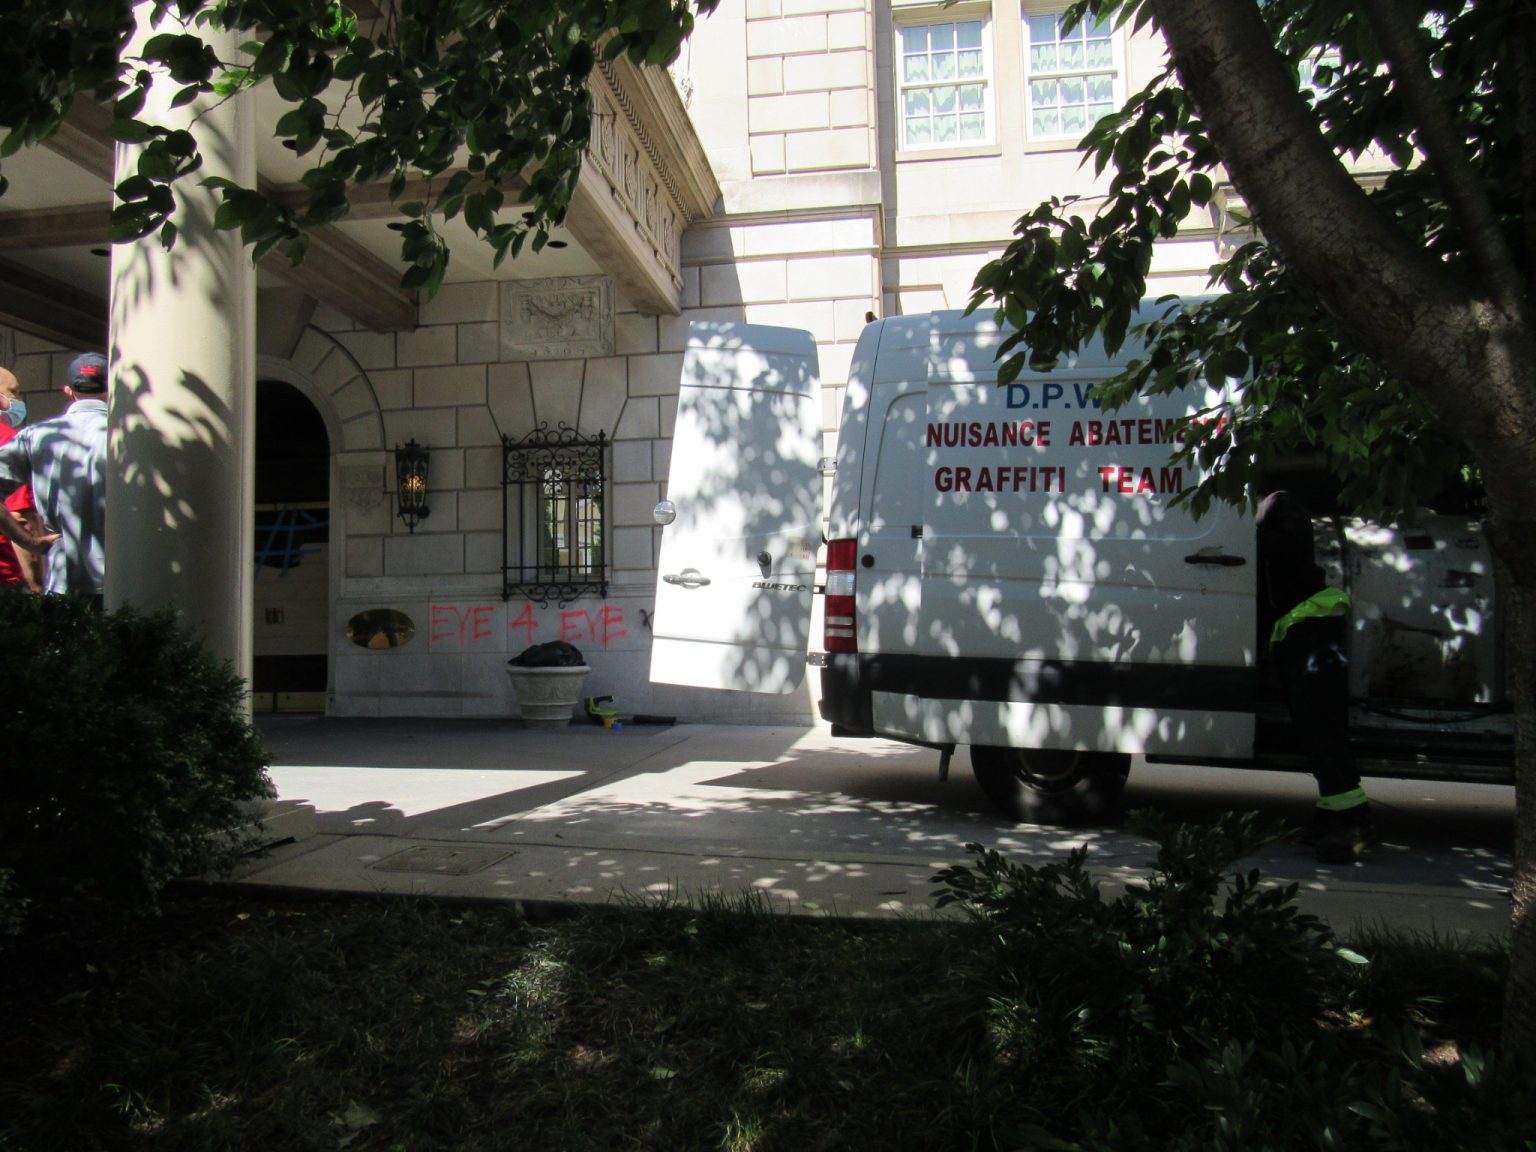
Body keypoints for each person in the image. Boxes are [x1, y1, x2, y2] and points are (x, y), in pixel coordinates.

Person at [1255, 489, 1373, 863]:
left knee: (1322, 728)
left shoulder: (1280, 505)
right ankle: (1332, 812)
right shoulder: (1271, 510)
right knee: (1312, 729)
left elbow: (1282, 551)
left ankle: (1352, 823)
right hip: (1302, 628)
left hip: (1312, 628)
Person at [0, 352, 109, 609]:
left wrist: (31, 543)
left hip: (64, 579)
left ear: (68, 391)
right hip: (125, 578)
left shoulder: (36, 436)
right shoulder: (132, 437)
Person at [0, 366, 44, 591]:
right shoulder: (7, 440)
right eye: (13, 391)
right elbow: (20, 516)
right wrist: (37, 587)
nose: (18, 399)